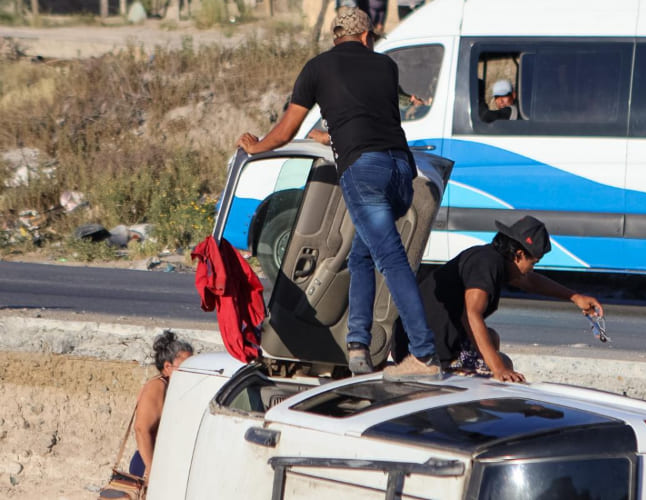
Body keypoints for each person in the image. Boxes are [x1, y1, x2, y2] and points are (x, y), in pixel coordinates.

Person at [236, 7, 441, 381]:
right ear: (365, 36)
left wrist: (256, 146)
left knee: (390, 260)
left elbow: (285, 131)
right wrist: (334, 137)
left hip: (364, 173)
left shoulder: (317, 68)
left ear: (336, 36)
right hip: (401, 171)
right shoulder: (386, 67)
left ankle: (425, 355)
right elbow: (375, 122)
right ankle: (358, 347)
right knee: (361, 255)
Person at [394, 216, 604, 383]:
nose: (531, 269)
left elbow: (530, 282)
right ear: (518, 255)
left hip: (423, 340)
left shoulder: (492, 259)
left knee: (491, 338)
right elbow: (471, 315)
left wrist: (575, 297)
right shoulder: (487, 264)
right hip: (422, 350)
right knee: (503, 362)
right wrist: (498, 369)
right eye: (533, 262)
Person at [130, 330, 193, 479]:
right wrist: (152, 470)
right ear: (167, 366)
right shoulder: (158, 386)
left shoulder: (177, 388)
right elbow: (141, 429)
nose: (191, 371)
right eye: (186, 366)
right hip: (150, 464)